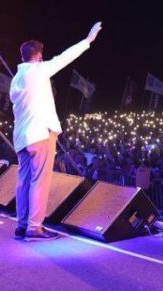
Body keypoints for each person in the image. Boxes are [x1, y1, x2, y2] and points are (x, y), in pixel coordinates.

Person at [10, 21, 102, 241]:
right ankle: (35, 227)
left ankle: (21, 225)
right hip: (40, 135)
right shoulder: (38, 71)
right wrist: (88, 40)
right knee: (39, 181)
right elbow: (64, 58)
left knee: (23, 182)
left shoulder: (16, 79)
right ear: (39, 56)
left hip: (21, 138)